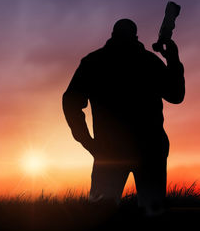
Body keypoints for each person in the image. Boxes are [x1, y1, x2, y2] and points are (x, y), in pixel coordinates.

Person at [62, 19, 185, 216]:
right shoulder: (149, 62)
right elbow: (176, 95)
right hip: (148, 149)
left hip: (111, 151)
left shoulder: (94, 62)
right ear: (135, 36)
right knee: (153, 213)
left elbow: (70, 103)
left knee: (99, 217)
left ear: (112, 34)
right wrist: (172, 59)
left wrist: (88, 142)